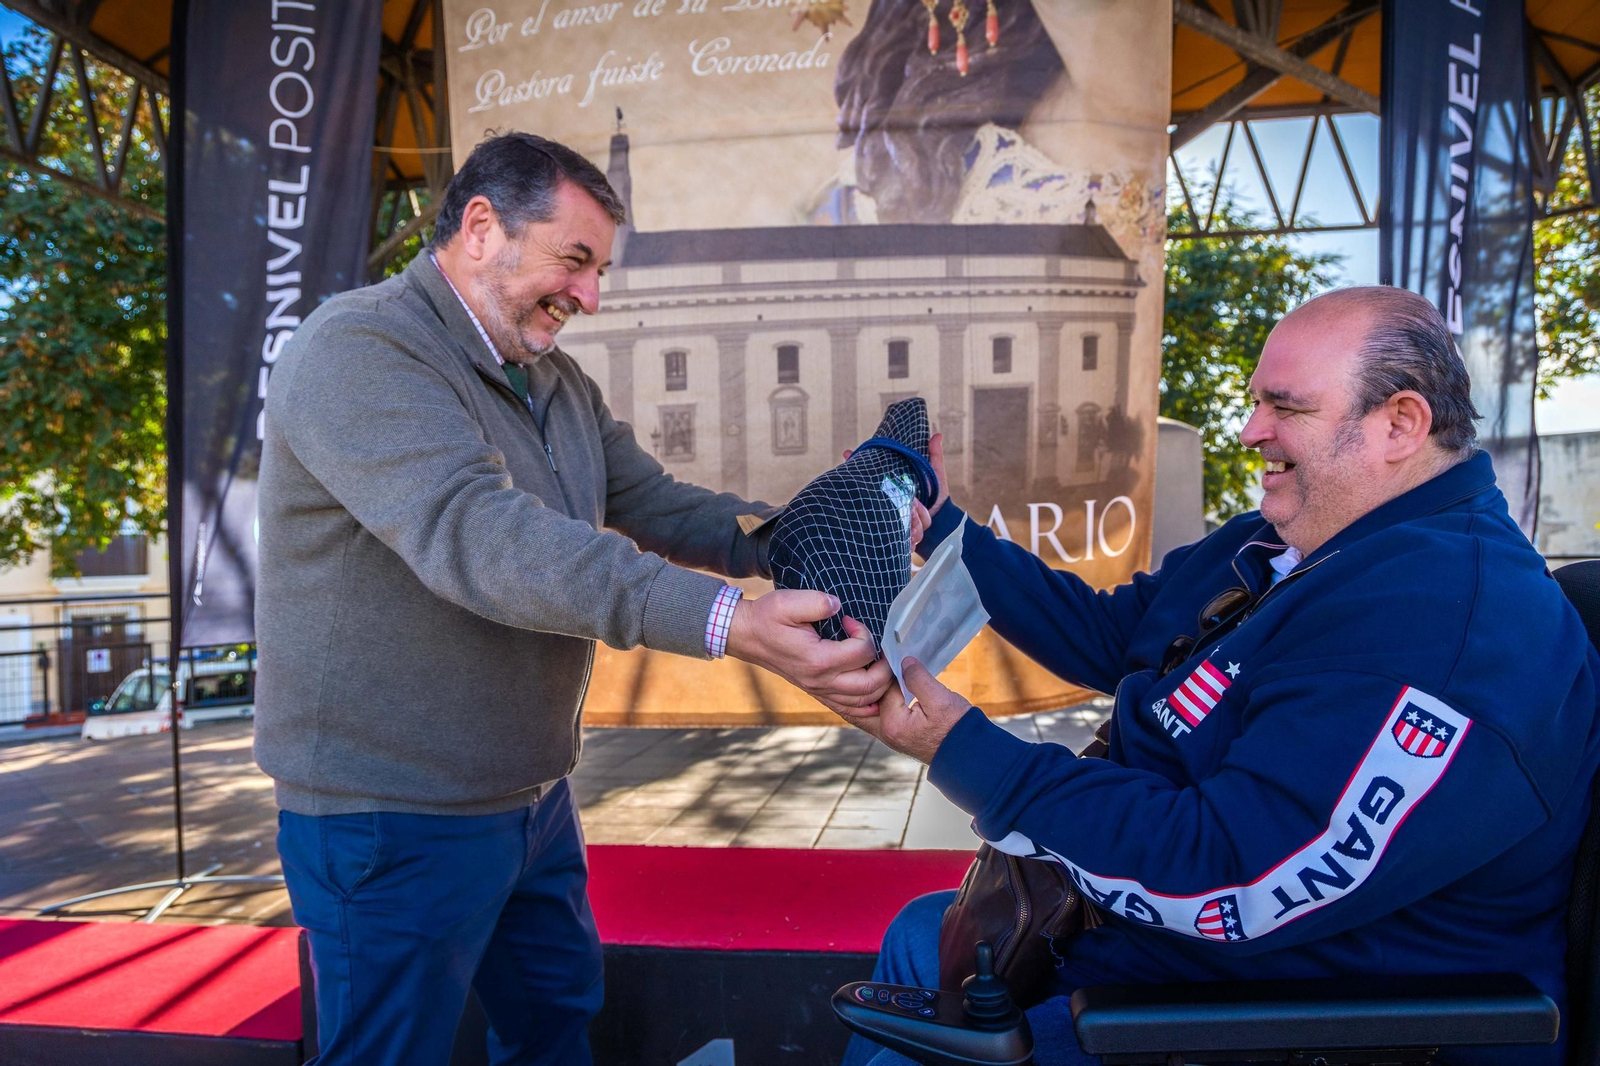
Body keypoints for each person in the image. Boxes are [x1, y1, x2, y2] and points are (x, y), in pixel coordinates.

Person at [253, 132, 896, 1066]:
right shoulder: (357, 348)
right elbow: (480, 537)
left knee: (557, 1026)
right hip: (385, 815)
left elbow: (653, 502)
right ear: (482, 228)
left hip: (532, 799)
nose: (591, 296)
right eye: (576, 260)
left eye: (599, 270)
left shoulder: (554, 378)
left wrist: (814, 536)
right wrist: (730, 623)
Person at [842, 286, 1600, 1066]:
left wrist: (965, 750)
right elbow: (1114, 632)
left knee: (912, 1034)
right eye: (1255, 402)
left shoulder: (1453, 622)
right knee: (915, 939)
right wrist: (942, 527)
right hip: (1162, 948)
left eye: (1286, 408)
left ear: (1400, 424)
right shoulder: (1298, 537)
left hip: (1302, 1019)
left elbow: (1237, 874)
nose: (1250, 431)